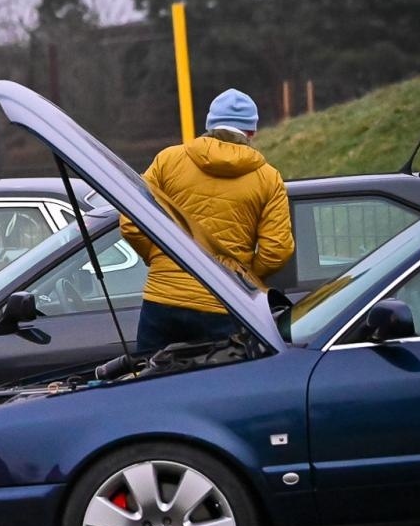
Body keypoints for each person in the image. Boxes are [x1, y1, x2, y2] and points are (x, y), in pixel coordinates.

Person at [122, 88, 295, 353]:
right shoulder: (268, 178)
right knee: (221, 388)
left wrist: (160, 258)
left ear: (209, 125)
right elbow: (277, 251)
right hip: (225, 301)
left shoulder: (168, 160)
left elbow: (131, 222)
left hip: (164, 297)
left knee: (149, 386)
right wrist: (242, 277)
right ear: (251, 133)